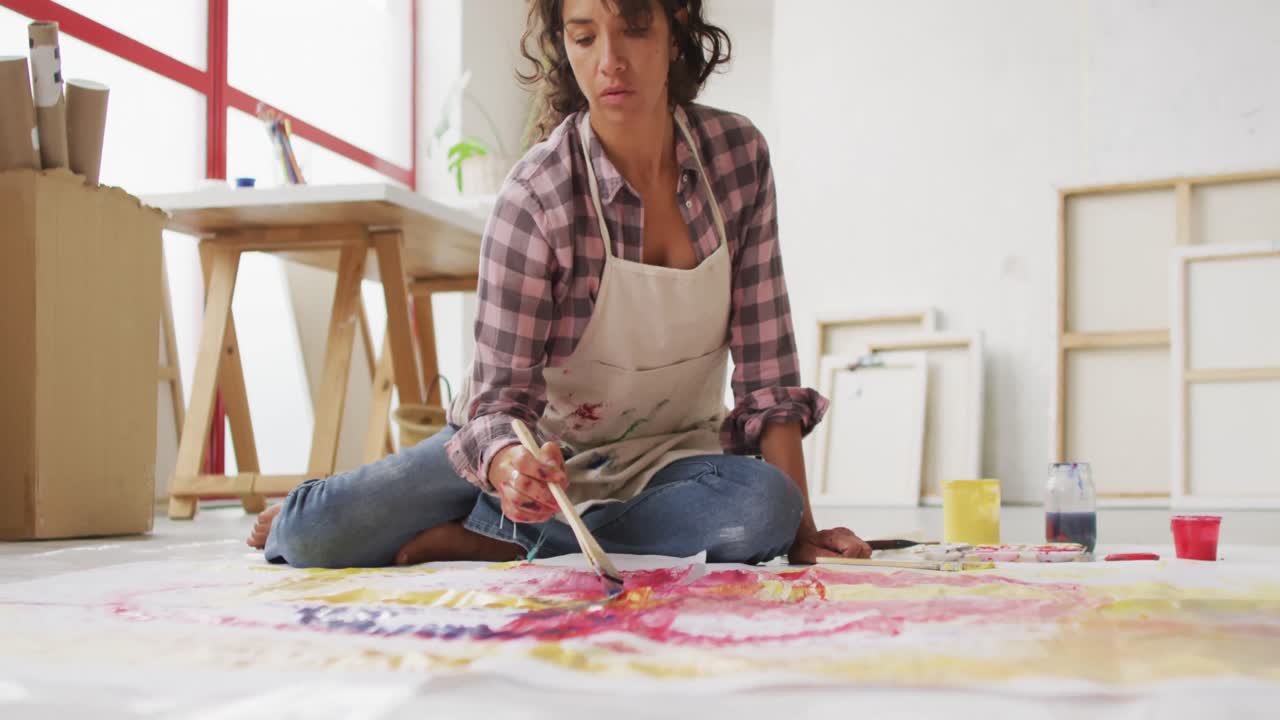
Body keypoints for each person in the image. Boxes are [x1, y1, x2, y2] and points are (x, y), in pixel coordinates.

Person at [248, 0, 872, 568]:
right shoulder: (537, 197)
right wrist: (511, 467)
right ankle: (504, 523)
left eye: (634, 28)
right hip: (535, 460)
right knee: (314, 537)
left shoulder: (737, 159)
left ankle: (494, 541)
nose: (610, 62)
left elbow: (768, 372)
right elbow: (499, 405)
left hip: (670, 460)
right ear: (563, 46)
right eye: (583, 37)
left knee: (765, 510)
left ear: (676, 26)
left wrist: (802, 532)